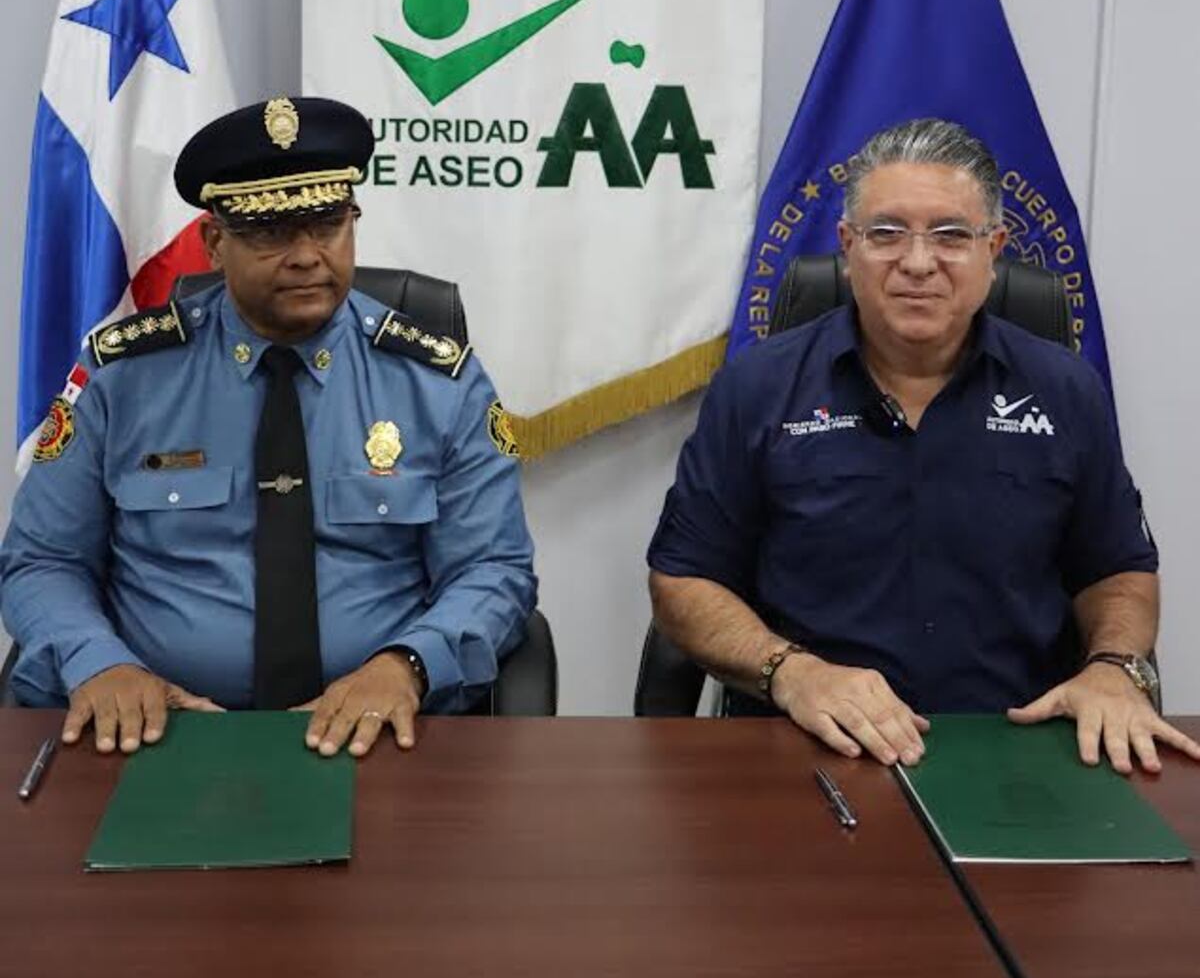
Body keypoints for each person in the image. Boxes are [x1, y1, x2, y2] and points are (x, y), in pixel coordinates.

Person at [649, 117, 1200, 777]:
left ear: (993, 249)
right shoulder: (758, 387)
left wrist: (1114, 668)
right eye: (886, 233)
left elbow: (1116, 569)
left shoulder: (1064, 390)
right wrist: (791, 672)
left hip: (1020, 749)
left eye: (951, 235)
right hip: (811, 745)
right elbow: (683, 578)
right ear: (847, 246)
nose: (917, 261)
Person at [1, 95, 536, 759]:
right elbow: (43, 558)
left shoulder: (437, 381)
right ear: (214, 242)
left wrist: (408, 664)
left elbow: (494, 568)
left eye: (328, 223)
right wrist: (98, 662)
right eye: (271, 230)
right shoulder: (123, 376)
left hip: (379, 734)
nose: (308, 255)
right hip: (157, 734)